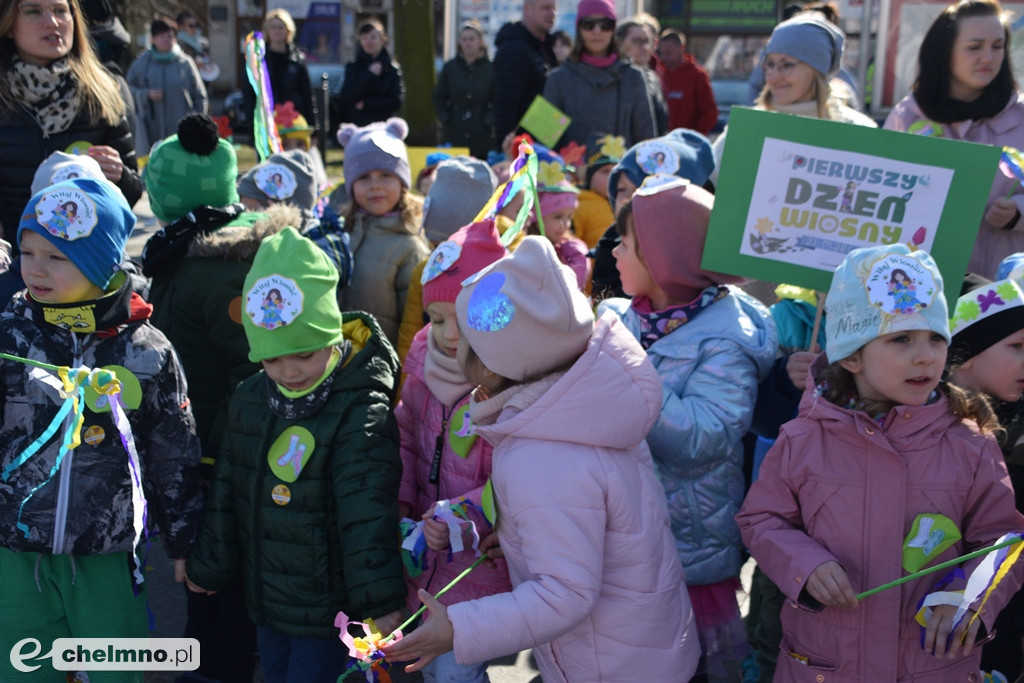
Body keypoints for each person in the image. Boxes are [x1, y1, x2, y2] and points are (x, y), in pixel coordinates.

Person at [382, 235, 701, 681]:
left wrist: (457, 628)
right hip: (641, 645)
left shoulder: (541, 456)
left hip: (601, 664)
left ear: (495, 366)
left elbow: (564, 594)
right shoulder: (586, 409)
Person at [737, 243, 1024, 681]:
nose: (926, 355)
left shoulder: (971, 444)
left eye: (935, 337)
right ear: (851, 355)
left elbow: (1003, 539)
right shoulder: (804, 438)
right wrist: (805, 564)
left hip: (931, 664)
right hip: (827, 663)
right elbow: (762, 519)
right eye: (901, 339)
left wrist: (970, 596)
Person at [0, 177, 202, 681]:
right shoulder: (10, 335)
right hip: (17, 552)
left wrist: (182, 540)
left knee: (114, 669)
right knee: (21, 668)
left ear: (102, 262)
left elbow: (172, 450)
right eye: (28, 252)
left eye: (57, 257)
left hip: (106, 553)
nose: (35, 268)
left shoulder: (147, 351)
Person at [186, 227, 406, 683]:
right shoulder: (251, 395)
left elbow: (366, 509)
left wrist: (380, 601)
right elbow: (229, 485)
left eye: (305, 354)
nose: (289, 371)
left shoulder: (358, 405)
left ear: (329, 333)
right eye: (272, 359)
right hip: (266, 595)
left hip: (328, 606)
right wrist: (209, 564)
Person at [599, 176, 775, 682]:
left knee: (694, 669)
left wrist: (631, 369)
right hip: (619, 536)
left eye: (626, 244)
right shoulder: (616, 320)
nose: (612, 252)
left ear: (663, 263)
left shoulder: (725, 341)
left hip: (688, 548)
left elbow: (704, 439)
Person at [395, 218, 513, 682]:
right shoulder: (425, 364)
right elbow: (405, 438)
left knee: (454, 670)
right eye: (437, 319)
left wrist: (462, 518)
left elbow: (511, 476)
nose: (446, 334)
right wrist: (403, 505)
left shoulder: (507, 380)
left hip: (479, 561)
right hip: (423, 553)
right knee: (429, 664)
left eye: (462, 320)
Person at [884, 0, 1024, 280]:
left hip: (1008, 297)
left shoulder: (1020, 115)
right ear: (944, 52)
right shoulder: (908, 117)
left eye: (997, 46)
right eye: (975, 47)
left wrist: (1018, 213)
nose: (988, 57)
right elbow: (879, 194)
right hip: (924, 292)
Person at [0, 0, 142, 247]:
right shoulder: (4, 97)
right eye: (34, 11)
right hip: (10, 264)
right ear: (9, 25)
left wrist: (120, 176)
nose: (52, 21)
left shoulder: (103, 92)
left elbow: (131, 195)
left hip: (84, 267)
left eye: (60, 11)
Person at [947, 275, 1024, 679]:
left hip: (1003, 616)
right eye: (1016, 347)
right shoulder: (927, 429)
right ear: (966, 354)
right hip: (939, 624)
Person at [711, 13, 876, 185]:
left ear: (817, 70)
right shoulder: (748, 129)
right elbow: (708, 188)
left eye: (786, 65)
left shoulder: (857, 131)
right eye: (770, 64)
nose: (773, 77)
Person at [590, 128, 716, 301]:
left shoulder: (702, 258)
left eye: (640, 188)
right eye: (620, 189)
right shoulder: (610, 246)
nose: (626, 199)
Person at [336, 117, 432, 346]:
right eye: (364, 177)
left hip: (382, 366)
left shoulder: (410, 247)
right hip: (339, 360)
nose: (375, 185)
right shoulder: (342, 232)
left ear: (402, 183)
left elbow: (414, 326)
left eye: (386, 175)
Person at [396, 156, 497, 363]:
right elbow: (410, 339)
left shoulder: (502, 267)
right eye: (435, 244)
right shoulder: (426, 270)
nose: (442, 259)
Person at [542, 0, 655, 148]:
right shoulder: (557, 79)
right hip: (570, 170)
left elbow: (647, 143)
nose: (597, 31)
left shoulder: (634, 77)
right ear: (579, 28)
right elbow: (544, 142)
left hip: (622, 170)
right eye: (589, 24)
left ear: (613, 29)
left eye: (605, 24)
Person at [126, 18, 208, 154]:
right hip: (151, 131)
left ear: (175, 38)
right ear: (153, 39)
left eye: (170, 36)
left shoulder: (185, 63)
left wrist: (197, 123)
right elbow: (127, 91)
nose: (166, 40)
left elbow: (200, 96)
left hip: (182, 132)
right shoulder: (142, 63)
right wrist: (146, 94)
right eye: (161, 36)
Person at [492, 0, 557, 144]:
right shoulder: (513, 49)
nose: (552, 14)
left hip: (542, 143)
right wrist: (508, 149)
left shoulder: (544, 47)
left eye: (554, 8)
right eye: (546, 8)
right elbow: (505, 104)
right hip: (522, 148)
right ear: (527, 10)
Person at [242, 9, 315, 137]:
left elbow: (307, 94)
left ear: (288, 31)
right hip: (267, 121)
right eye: (273, 27)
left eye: (281, 27)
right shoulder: (258, 59)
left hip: (294, 120)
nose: (277, 31)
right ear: (267, 31)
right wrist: (252, 127)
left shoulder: (297, 59)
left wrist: (313, 127)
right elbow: (249, 95)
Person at [434, 21, 496, 160]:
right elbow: (439, 96)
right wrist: (446, 117)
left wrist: (489, 120)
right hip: (455, 131)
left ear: (480, 41)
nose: (468, 43)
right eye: (464, 39)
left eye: (472, 39)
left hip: (482, 133)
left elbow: (497, 99)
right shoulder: (450, 68)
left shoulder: (490, 68)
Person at [339, 18, 404, 128]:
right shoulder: (353, 68)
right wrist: (369, 75)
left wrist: (366, 104)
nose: (369, 42)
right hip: (359, 126)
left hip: (384, 127)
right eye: (365, 38)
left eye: (373, 37)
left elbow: (396, 101)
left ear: (382, 39)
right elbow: (347, 97)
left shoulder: (392, 69)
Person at [657, 29, 718, 135]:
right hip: (660, 143)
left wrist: (694, 138)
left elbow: (709, 113)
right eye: (661, 53)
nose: (664, 57)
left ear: (682, 49)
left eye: (669, 53)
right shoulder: (657, 74)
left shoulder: (698, 76)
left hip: (686, 144)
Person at [617, 18, 668, 135]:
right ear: (619, 43)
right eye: (636, 41)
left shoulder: (653, 78)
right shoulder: (612, 78)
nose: (643, 47)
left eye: (646, 41)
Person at [572, 132, 623, 249]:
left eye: (616, 171)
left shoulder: (626, 204)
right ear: (589, 178)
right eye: (605, 171)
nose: (611, 176)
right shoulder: (578, 206)